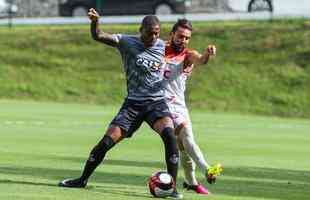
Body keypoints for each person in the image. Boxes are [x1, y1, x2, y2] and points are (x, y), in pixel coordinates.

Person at [58, 8, 183, 199]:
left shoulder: (161, 46)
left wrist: (202, 57)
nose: (154, 36)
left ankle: (172, 188)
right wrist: (95, 22)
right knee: (107, 142)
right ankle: (81, 180)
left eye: (157, 33)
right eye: (150, 32)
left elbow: (184, 50)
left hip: (156, 103)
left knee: (169, 134)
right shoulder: (126, 41)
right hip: (133, 104)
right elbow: (98, 36)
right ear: (141, 30)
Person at [163, 19, 222, 195]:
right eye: (180, 36)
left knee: (184, 145)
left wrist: (208, 54)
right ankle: (207, 169)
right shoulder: (159, 49)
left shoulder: (188, 55)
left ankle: (191, 183)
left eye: (187, 38)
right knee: (186, 134)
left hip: (180, 104)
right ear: (172, 34)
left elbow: (201, 60)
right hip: (163, 102)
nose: (184, 40)